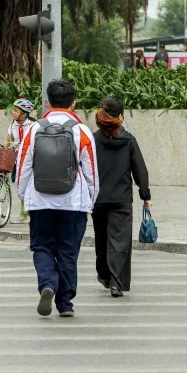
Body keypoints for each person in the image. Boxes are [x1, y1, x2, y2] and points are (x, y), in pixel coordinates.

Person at [17, 79, 98, 317]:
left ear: (47, 102)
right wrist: (90, 200)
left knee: (42, 246)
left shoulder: (34, 129)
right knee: (68, 250)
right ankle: (65, 304)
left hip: (40, 200)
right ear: (73, 104)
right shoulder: (82, 131)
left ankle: (48, 284)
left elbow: (23, 166)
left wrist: (23, 196)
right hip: (74, 203)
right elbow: (91, 171)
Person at [92, 96, 151, 298]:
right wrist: (145, 194)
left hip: (98, 199)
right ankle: (116, 283)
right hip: (121, 199)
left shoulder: (93, 140)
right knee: (120, 242)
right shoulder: (128, 140)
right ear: (121, 117)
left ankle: (104, 274)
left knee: (101, 239)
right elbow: (140, 169)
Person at [7, 98, 35, 225]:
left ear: (24, 114)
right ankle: (24, 214)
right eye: (13, 110)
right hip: (18, 161)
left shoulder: (33, 125)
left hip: (30, 160)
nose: (13, 113)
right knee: (21, 186)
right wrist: (4, 146)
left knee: (30, 187)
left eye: (16, 111)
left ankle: (28, 214)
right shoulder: (12, 125)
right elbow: (8, 141)